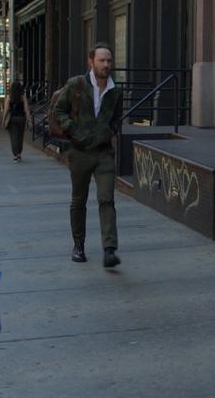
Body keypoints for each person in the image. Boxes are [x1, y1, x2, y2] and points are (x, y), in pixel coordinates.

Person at [53, 43, 124, 267]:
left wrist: (109, 131)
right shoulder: (77, 84)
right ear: (91, 61)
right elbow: (58, 110)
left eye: (109, 61)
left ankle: (109, 249)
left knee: (107, 199)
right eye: (102, 60)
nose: (106, 65)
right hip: (80, 152)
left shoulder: (116, 91)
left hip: (103, 152)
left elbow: (116, 118)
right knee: (78, 200)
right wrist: (73, 129)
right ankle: (78, 245)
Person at [3, 81, 31, 161]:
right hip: (22, 118)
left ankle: (16, 155)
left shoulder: (9, 97)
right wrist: (29, 120)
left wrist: (3, 120)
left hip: (12, 119)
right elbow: (26, 110)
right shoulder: (23, 97)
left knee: (13, 137)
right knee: (20, 136)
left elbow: (6, 110)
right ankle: (19, 153)